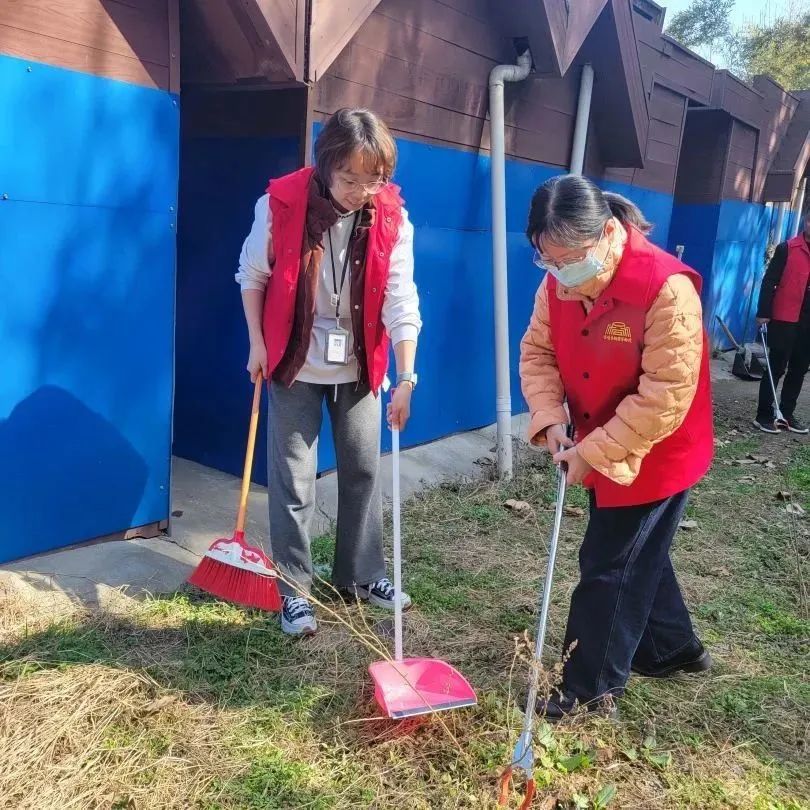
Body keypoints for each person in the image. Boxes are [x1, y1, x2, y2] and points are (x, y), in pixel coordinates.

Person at [519, 175, 714, 720]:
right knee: (638, 551)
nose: (560, 273)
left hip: (658, 450)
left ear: (607, 233)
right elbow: (539, 353)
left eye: (571, 258)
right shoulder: (558, 281)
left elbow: (664, 397)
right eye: (547, 260)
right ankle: (672, 648)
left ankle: (585, 691)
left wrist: (592, 451)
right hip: (598, 438)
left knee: (609, 566)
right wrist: (549, 416)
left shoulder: (665, 288)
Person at [235, 108, 422, 636]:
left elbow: (399, 295)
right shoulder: (279, 205)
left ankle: (360, 576)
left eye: (376, 179)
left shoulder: (391, 215)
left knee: (362, 468)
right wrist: (255, 343)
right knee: (295, 478)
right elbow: (252, 274)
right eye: (351, 179)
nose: (364, 190)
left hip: (359, 361)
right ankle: (294, 591)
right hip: (294, 359)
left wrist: (406, 376)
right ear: (325, 166)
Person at [753, 212, 810, 434]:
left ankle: (786, 413)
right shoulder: (787, 249)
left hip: (808, 324)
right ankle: (764, 415)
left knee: (799, 369)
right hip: (785, 318)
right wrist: (763, 312)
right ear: (805, 221)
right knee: (775, 368)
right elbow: (769, 281)